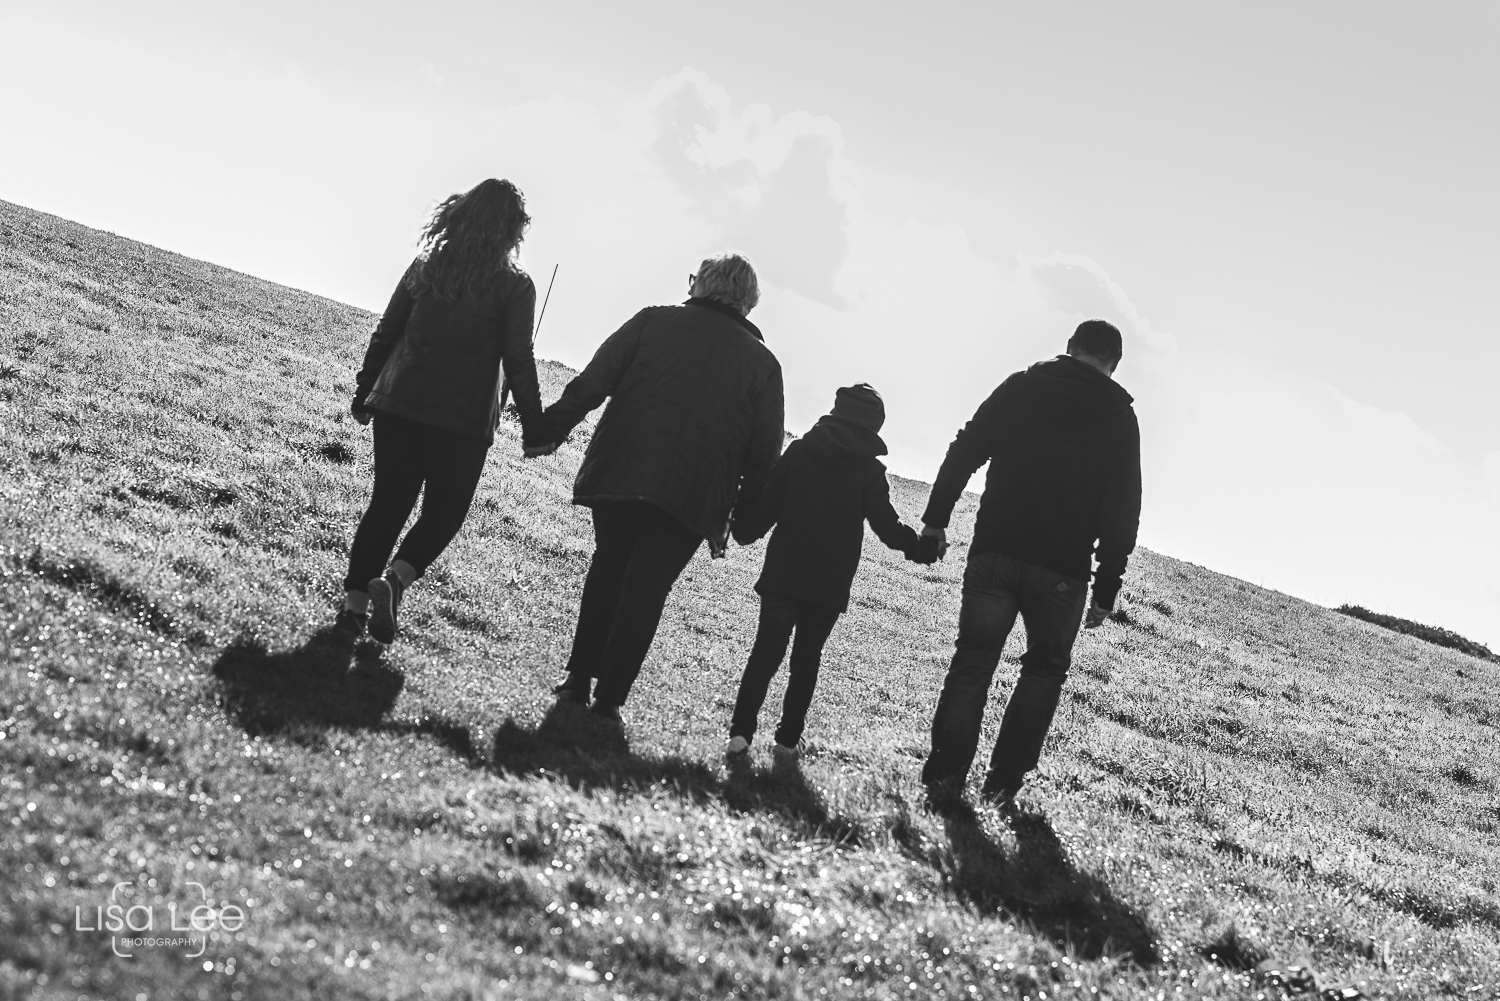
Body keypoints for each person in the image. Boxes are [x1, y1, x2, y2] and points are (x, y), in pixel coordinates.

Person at [542, 254, 784, 722]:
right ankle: (610, 698)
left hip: (622, 467)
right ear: (748, 302)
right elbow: (763, 452)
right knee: (648, 587)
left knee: (608, 567)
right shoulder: (763, 365)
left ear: (700, 285)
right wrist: (748, 518)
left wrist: (553, 427)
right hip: (694, 493)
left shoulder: (653, 322)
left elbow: (596, 379)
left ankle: (577, 680)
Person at [918, 319, 1141, 810]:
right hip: (1062, 570)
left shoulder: (1021, 387)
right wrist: (1106, 588)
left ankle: (943, 777)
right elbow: (1123, 508)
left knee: (973, 662)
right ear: (1114, 364)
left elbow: (965, 450)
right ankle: (1001, 788)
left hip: (996, 550)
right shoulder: (1120, 417)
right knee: (1043, 673)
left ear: (1069, 349)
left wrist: (936, 521)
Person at [339, 178, 551, 644]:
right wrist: (534, 427)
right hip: (464, 419)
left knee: (387, 505)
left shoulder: (426, 266)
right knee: (445, 513)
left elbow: (386, 332)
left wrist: (364, 392)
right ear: (514, 230)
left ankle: (353, 610)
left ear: (460, 215)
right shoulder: (515, 285)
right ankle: (394, 581)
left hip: (398, 402)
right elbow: (518, 357)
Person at [725, 384, 936, 766]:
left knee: (765, 654)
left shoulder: (801, 451)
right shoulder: (869, 471)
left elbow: (767, 506)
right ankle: (787, 742)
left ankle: (740, 734)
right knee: (807, 659)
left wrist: (742, 529)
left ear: (836, 412)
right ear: (874, 426)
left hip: (783, 572)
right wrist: (923, 549)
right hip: (829, 581)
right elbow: (888, 530)